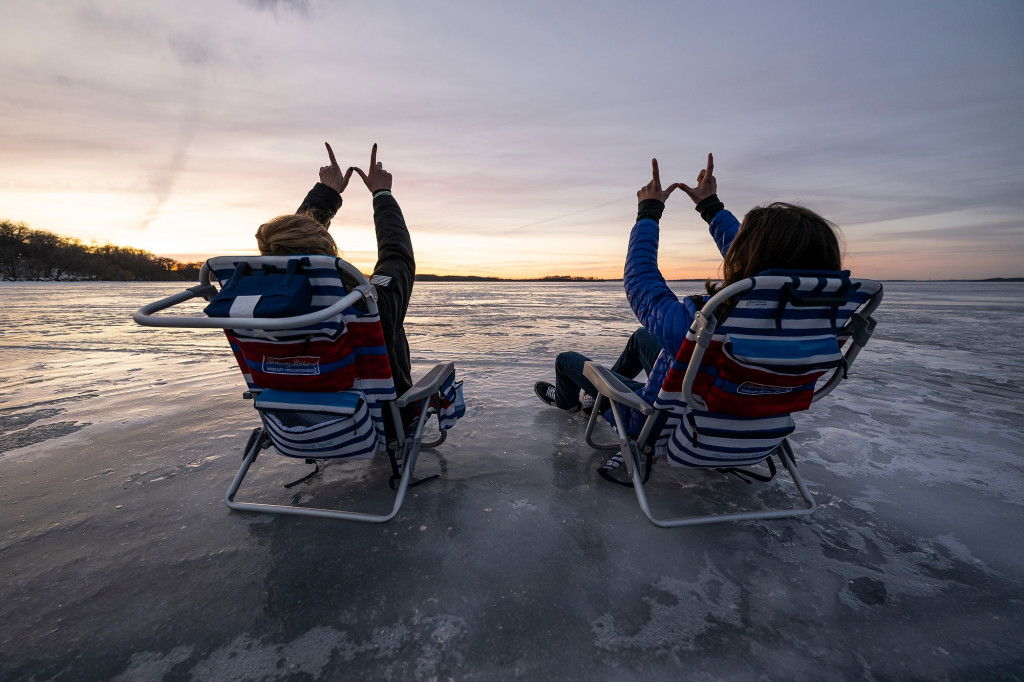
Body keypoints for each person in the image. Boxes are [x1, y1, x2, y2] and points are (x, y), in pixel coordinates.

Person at [534, 154, 842, 437]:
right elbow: (761, 262)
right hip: (748, 418)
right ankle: (597, 396)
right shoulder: (821, 319)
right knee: (642, 337)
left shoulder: (710, 319)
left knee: (567, 361)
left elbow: (642, 285)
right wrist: (711, 207)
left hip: (662, 422)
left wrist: (649, 213)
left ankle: (574, 404)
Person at [255, 142, 416, 399]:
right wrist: (382, 193)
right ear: (326, 248)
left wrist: (326, 192)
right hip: (375, 424)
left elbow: (287, 252)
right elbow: (397, 257)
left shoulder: (255, 306)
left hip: (289, 420)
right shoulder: (365, 307)